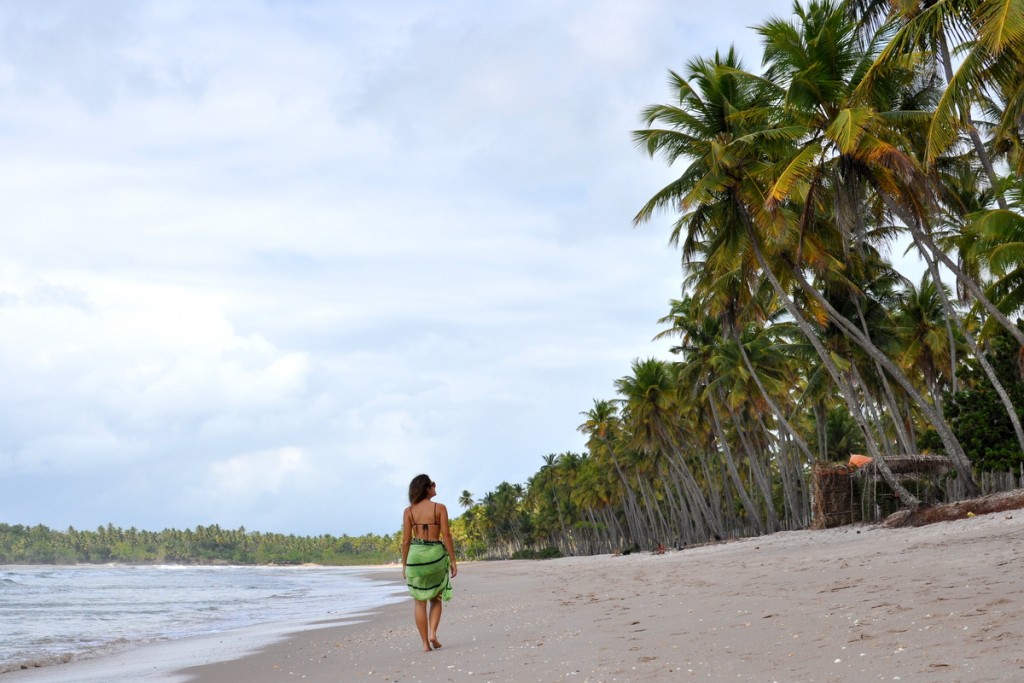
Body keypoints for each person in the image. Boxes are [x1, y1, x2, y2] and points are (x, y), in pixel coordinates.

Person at [401, 474, 458, 652]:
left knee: (419, 601)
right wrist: (454, 561)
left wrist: (404, 564)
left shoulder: (408, 511)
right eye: (433, 484)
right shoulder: (440, 508)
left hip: (416, 557)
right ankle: (433, 633)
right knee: (436, 598)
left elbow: (405, 541)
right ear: (427, 488)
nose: (435, 487)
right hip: (435, 555)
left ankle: (425, 644)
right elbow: (446, 536)